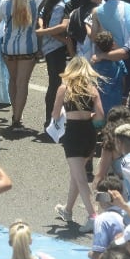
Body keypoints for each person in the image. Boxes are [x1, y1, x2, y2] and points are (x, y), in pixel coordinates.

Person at [51, 55, 104, 231]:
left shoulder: (64, 88)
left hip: (73, 133)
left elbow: (55, 114)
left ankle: (93, 216)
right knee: (77, 174)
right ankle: (67, 210)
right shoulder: (92, 89)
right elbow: (100, 116)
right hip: (89, 133)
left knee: (81, 179)